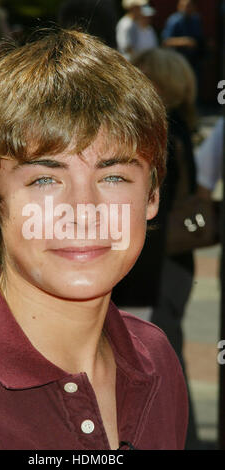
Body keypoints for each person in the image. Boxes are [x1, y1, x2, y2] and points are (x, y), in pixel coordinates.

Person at [0, 29, 188, 450]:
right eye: (46, 178)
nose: (82, 210)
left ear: (152, 196)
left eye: (114, 176)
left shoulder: (157, 358)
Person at [132, 48, 200, 449]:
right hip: (176, 261)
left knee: (160, 359)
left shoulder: (159, 133)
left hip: (158, 265)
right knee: (165, 357)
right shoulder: (179, 129)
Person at [161, 0, 205, 81]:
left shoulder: (196, 19)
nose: (186, 8)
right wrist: (185, 41)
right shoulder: (174, 20)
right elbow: (166, 41)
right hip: (178, 63)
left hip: (193, 63)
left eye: (189, 6)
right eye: (184, 6)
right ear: (179, 6)